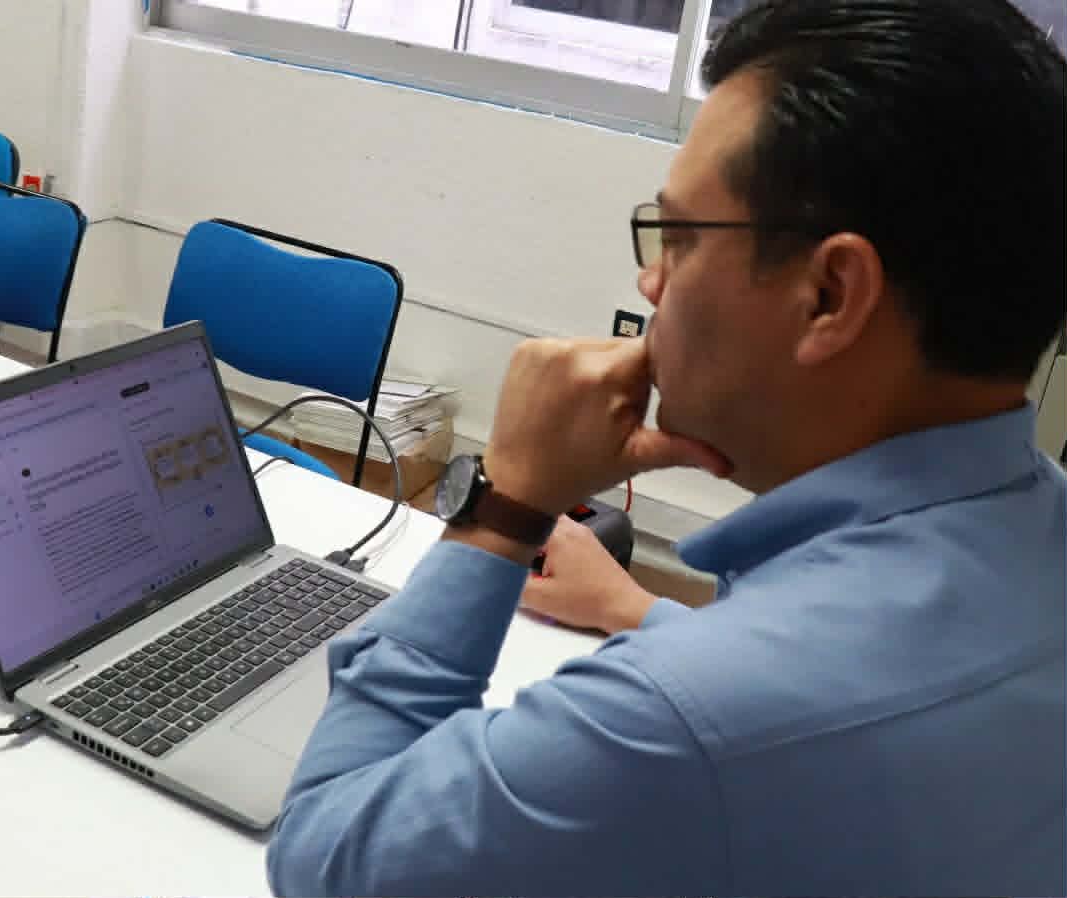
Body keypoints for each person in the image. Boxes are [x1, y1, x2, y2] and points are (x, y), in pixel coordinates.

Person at [267, 0, 1067, 893]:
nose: (650, 282)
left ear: (830, 295)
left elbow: (330, 857)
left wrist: (504, 510)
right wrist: (639, 611)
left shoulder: (681, 719)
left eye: (680, 238)